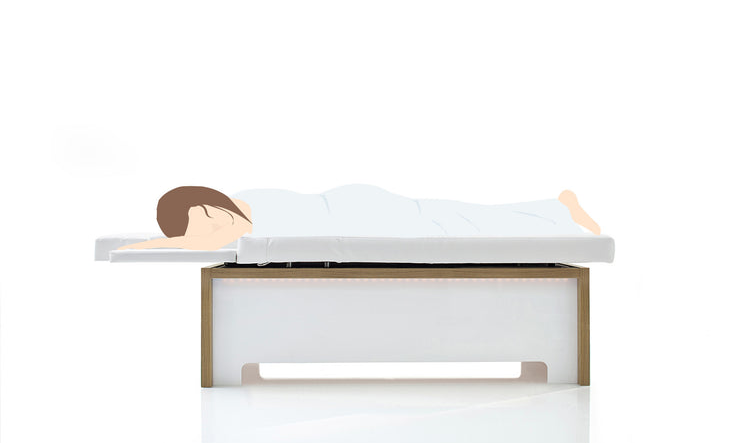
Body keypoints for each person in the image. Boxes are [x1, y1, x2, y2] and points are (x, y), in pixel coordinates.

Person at [117, 185, 600, 252]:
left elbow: (207, 238)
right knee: (460, 219)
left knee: (458, 221)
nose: (212, 222)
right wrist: (152, 242)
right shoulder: (226, 220)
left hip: (362, 211)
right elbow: (200, 239)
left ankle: (558, 210)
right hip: (360, 211)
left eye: (207, 211)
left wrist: (148, 244)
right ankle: (557, 209)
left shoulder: (244, 206)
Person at [116, 186, 253, 251]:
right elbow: (210, 242)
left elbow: (211, 242)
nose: (226, 232)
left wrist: (146, 245)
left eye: (209, 216)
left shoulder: (251, 202)